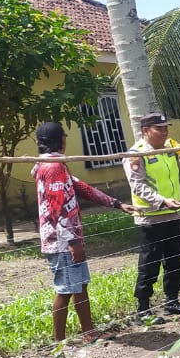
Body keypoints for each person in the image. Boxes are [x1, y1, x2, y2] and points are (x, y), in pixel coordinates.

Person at [32, 122, 136, 343]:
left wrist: (116, 203)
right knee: (65, 289)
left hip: (64, 237)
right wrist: (72, 241)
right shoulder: (54, 168)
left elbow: (81, 188)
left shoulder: (52, 165)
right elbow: (57, 208)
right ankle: (59, 342)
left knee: (79, 284)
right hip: (62, 240)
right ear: (61, 140)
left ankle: (89, 332)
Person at [124, 112, 180, 322]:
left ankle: (172, 302)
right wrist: (161, 200)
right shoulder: (136, 154)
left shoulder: (170, 145)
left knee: (176, 258)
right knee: (150, 263)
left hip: (173, 215)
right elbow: (137, 185)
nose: (164, 132)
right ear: (145, 131)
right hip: (151, 217)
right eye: (159, 129)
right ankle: (143, 309)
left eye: (166, 127)